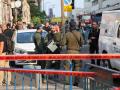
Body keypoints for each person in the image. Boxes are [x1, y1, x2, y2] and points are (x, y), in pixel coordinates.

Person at [61, 19, 84, 85]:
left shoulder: (67, 34)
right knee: (77, 67)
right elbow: (82, 43)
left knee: (67, 67)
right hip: (77, 52)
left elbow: (63, 43)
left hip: (69, 52)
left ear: (70, 26)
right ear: (75, 26)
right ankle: (76, 82)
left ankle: (67, 82)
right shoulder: (79, 33)